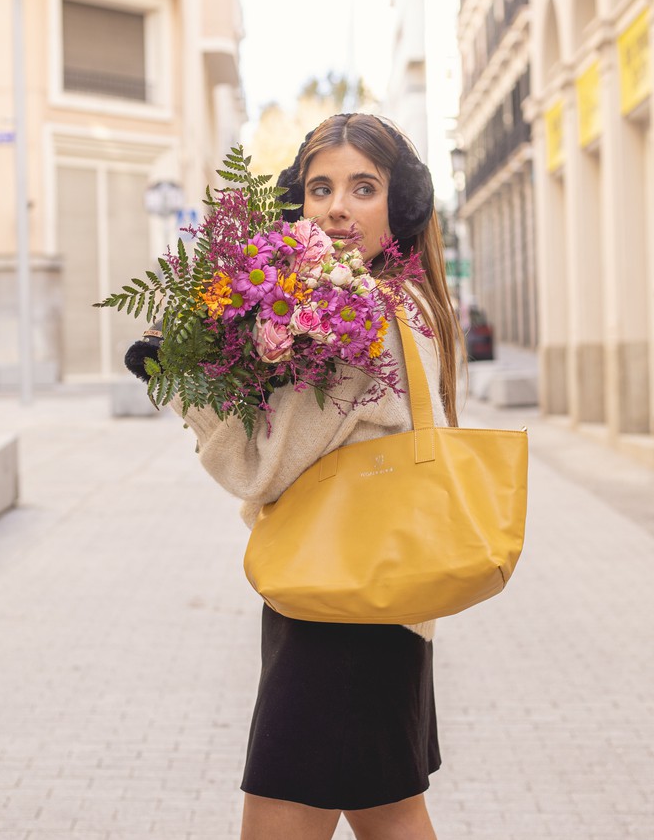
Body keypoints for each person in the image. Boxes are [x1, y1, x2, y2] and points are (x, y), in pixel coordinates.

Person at [127, 113, 464, 840]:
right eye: (320, 188)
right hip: (368, 602)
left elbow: (258, 463)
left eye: (363, 187)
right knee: (390, 812)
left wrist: (181, 381)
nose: (337, 206)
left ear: (400, 207)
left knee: (298, 821)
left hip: (341, 614)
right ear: (297, 204)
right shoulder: (400, 304)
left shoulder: (362, 318)